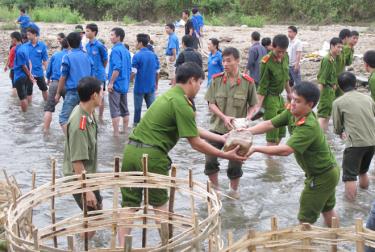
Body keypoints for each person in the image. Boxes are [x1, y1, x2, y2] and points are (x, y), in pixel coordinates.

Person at [118, 62, 246, 246]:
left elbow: (193, 128)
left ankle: (122, 247)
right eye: (200, 83)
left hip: (130, 151)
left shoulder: (169, 95)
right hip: (152, 156)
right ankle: (166, 246)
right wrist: (226, 155)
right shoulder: (182, 103)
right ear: (192, 80)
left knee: (129, 205)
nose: (200, 88)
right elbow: (196, 143)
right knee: (160, 207)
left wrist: (222, 138)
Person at [246, 81, 340, 227]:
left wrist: (255, 148)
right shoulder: (292, 112)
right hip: (327, 172)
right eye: (292, 99)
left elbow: (286, 150)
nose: (293, 103)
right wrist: (247, 131)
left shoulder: (308, 126)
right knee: (327, 210)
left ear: (310, 105)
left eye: (298, 101)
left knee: (304, 219)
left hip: (321, 176)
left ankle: (307, 247)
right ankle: (335, 244)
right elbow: (270, 124)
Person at [204, 47, 258, 198]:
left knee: (235, 163)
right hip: (216, 128)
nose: (225, 64)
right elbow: (211, 103)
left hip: (237, 132)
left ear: (238, 61)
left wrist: (247, 119)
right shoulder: (216, 80)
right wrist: (223, 117)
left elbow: (254, 105)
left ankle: (233, 192)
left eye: (228, 61)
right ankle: (216, 190)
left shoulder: (248, 82)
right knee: (209, 159)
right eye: (223, 61)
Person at [62, 77, 103, 239]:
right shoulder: (80, 122)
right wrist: (87, 191)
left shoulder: (88, 114)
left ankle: (85, 244)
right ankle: (81, 246)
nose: (102, 95)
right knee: (93, 219)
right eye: (101, 92)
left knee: (97, 214)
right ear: (94, 95)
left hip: (89, 175)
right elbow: (77, 161)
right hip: (79, 178)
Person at [332, 72, 375, 201]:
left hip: (355, 143)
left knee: (349, 177)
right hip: (372, 141)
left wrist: (340, 133)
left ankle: (351, 206)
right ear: (355, 83)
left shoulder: (338, 102)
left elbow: (337, 127)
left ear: (339, 87)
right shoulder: (368, 98)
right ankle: (365, 200)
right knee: (363, 171)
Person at [253, 34, 292, 146]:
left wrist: (289, 93)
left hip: (280, 97)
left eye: (283, 52)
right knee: (271, 135)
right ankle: (269, 159)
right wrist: (258, 106)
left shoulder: (286, 56)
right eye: (279, 51)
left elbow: (286, 78)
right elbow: (263, 86)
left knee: (281, 133)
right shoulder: (265, 62)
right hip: (269, 98)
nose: (281, 55)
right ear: (272, 47)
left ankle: (272, 160)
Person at [55, 32, 93, 134]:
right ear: (80, 42)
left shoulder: (67, 57)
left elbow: (63, 77)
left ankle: (71, 141)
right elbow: (92, 74)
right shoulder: (87, 56)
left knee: (63, 119)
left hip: (73, 92)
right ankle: (82, 137)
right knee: (83, 117)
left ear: (68, 43)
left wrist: (58, 93)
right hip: (87, 92)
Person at [131, 33, 160, 125]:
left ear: (140, 43)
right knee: (152, 110)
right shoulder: (153, 55)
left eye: (136, 42)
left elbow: (133, 72)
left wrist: (128, 82)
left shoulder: (137, 56)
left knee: (137, 110)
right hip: (151, 86)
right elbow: (157, 72)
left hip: (139, 87)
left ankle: (136, 129)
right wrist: (156, 84)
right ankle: (152, 127)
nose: (135, 44)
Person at [107, 27, 132, 136]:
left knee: (115, 110)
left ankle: (116, 134)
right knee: (124, 109)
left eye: (112, 35)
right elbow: (129, 69)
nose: (110, 37)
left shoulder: (115, 50)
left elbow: (117, 68)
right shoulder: (126, 51)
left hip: (116, 84)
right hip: (124, 84)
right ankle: (125, 131)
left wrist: (111, 82)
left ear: (118, 37)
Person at [317, 37, 343, 132]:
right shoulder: (327, 60)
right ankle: (318, 137)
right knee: (322, 115)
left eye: (341, 47)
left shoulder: (335, 59)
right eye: (338, 47)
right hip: (326, 91)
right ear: (332, 46)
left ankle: (325, 137)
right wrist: (318, 96)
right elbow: (321, 79)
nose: (340, 49)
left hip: (331, 91)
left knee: (327, 115)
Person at [43, 38, 69, 132]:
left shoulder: (55, 55)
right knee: (72, 109)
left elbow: (48, 70)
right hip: (68, 85)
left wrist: (48, 79)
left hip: (55, 83)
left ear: (61, 45)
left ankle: (45, 131)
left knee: (48, 108)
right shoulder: (71, 55)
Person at [85, 23, 108, 121]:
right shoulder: (87, 45)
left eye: (88, 31)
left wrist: (101, 69)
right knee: (91, 96)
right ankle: (92, 115)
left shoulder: (100, 45)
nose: (86, 33)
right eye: (86, 31)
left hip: (99, 76)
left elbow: (105, 59)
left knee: (100, 97)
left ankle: (101, 117)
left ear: (94, 32)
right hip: (90, 75)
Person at [26, 27, 49, 101]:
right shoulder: (25, 46)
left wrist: (48, 73)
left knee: (44, 89)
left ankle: (47, 105)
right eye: (27, 35)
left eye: (29, 35)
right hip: (29, 74)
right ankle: (29, 111)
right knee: (28, 92)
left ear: (34, 34)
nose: (27, 36)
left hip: (39, 73)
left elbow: (45, 60)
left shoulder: (42, 46)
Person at [13, 33, 35, 112]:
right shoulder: (25, 47)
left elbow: (23, 66)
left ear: (14, 39)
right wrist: (30, 74)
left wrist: (29, 75)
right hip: (25, 76)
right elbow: (29, 62)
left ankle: (24, 116)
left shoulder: (19, 50)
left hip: (20, 75)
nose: (11, 41)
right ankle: (27, 113)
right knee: (25, 95)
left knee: (22, 98)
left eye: (12, 39)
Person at [4, 32, 21, 96]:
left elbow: (10, 58)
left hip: (15, 68)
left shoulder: (13, 48)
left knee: (14, 86)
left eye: (11, 38)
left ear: (14, 39)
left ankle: (14, 99)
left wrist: (7, 66)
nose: (11, 40)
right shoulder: (23, 46)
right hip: (19, 69)